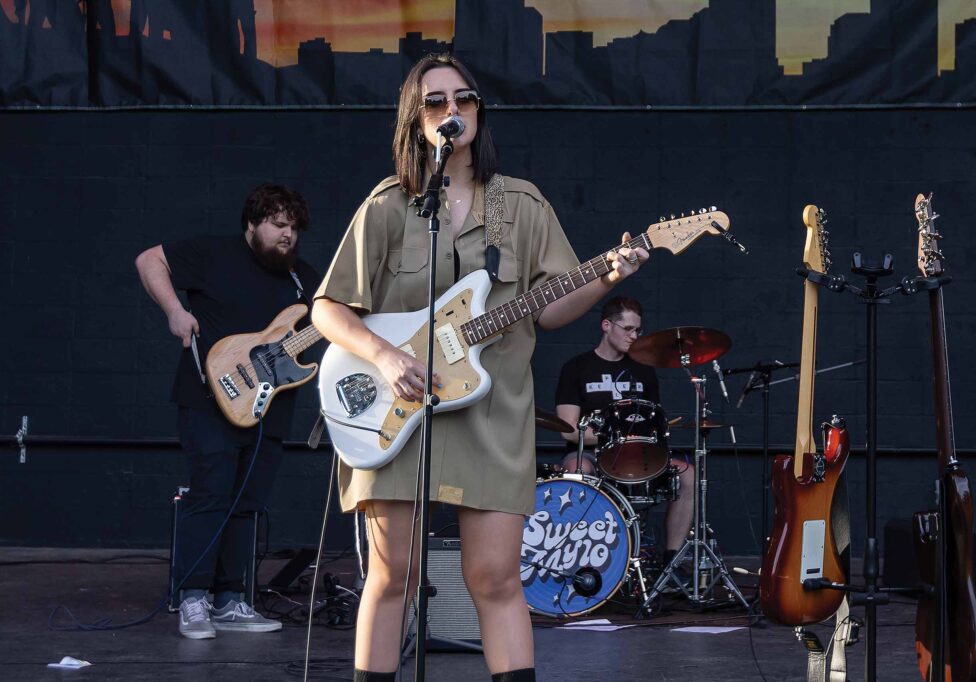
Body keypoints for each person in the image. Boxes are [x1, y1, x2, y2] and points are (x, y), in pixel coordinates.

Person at [310, 53, 648, 682]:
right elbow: (327, 309)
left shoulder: (521, 205)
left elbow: (549, 311)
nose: (452, 111)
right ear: (416, 120)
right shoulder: (389, 205)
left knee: (494, 577)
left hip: (492, 415)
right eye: (435, 102)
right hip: (400, 405)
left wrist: (607, 277)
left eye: (463, 99)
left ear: (478, 112)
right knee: (393, 576)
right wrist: (385, 358)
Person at [135, 183, 320, 639]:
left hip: (270, 407)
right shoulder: (212, 253)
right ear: (253, 223)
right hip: (208, 397)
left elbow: (332, 325)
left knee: (247, 503)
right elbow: (148, 260)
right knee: (210, 494)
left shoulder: (304, 278)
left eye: (294, 228)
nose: (287, 236)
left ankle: (231, 600)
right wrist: (175, 311)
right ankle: (193, 599)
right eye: (278, 225)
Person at [555, 296, 695, 572]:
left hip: (640, 455)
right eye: (628, 329)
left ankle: (672, 559)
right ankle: (579, 562)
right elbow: (570, 431)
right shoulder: (576, 367)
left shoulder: (644, 370)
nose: (634, 336)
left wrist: (639, 439)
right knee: (575, 470)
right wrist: (615, 436)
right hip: (593, 454)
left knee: (688, 474)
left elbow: (654, 422)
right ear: (606, 325)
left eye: (637, 330)